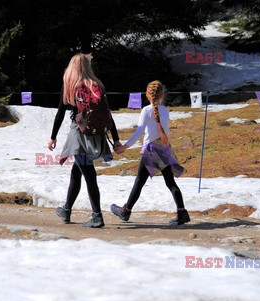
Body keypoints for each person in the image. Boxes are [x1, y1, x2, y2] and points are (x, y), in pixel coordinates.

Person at [48, 53, 122, 228]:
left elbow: (60, 113)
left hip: (79, 137)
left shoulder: (71, 86)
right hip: (96, 135)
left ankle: (97, 216)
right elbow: (107, 115)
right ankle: (66, 210)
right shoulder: (96, 85)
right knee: (77, 171)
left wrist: (53, 137)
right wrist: (116, 139)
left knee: (89, 174)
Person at [111, 80, 190, 225]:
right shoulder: (165, 110)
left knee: (139, 181)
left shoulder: (146, 111)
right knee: (170, 182)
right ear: (162, 95)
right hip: (164, 148)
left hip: (151, 150)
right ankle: (182, 212)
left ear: (148, 95)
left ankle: (126, 211)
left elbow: (140, 131)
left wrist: (125, 147)